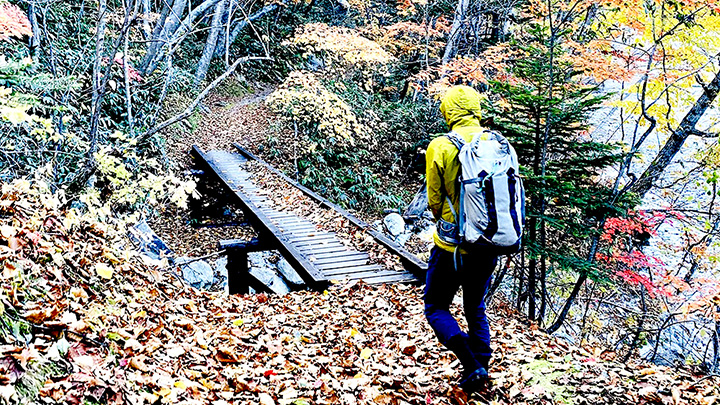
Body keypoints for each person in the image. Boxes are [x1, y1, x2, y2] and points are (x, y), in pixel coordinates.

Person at [424, 85, 498, 392]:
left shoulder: (440, 146)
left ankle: (471, 365)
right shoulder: (498, 143)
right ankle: (480, 366)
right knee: (475, 307)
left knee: (436, 306)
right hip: (489, 243)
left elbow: (434, 200)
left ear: (449, 110)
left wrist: (447, 216)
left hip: (452, 247)